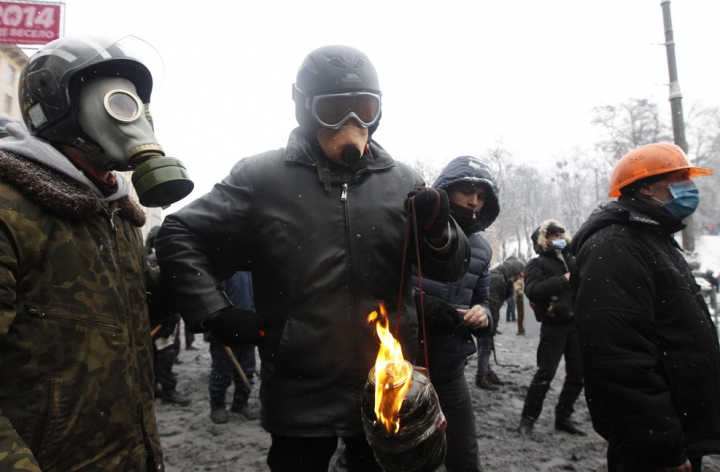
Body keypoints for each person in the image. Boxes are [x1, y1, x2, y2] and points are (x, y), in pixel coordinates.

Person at [155, 45, 470, 472]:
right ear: (305, 108)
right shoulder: (261, 178)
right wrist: (214, 311)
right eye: (334, 109)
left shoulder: (403, 181)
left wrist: (439, 231)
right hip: (300, 390)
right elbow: (180, 232)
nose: (351, 123)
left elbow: (450, 267)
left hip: (388, 384)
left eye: (364, 108)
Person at [0, 34, 193, 470]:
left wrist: (194, 260)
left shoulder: (117, 213)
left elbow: (131, 313)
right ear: (58, 109)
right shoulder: (9, 210)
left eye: (139, 107)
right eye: (118, 104)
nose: (137, 120)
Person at [571, 143, 720, 472]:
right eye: (679, 179)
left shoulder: (654, 239)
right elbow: (617, 357)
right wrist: (659, 445)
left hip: (677, 427)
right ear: (646, 187)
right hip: (653, 446)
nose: (689, 188)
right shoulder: (616, 246)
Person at [412, 155, 498, 471]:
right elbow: (381, 289)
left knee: (464, 456)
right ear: (447, 190)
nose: (474, 202)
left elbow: (485, 301)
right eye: (468, 192)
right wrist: (423, 304)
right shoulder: (412, 231)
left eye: (482, 196)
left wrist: (483, 316)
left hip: (449, 369)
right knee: (389, 453)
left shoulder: (482, 249)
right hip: (403, 367)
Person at [516, 220, 585, 437]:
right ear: (544, 240)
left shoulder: (573, 260)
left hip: (576, 325)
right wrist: (562, 280)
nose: (560, 239)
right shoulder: (537, 264)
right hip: (554, 325)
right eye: (554, 235)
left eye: (562, 234)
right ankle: (527, 420)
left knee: (578, 375)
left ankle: (564, 417)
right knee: (545, 373)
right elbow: (533, 291)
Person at [146, 226, 191, 407]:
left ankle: (154, 387)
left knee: (155, 356)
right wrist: (165, 320)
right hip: (159, 320)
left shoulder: (157, 260)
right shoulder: (159, 262)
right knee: (164, 355)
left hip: (158, 319)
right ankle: (168, 391)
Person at [208, 271, 258, 424]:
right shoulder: (223, 269)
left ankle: (240, 403)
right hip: (225, 332)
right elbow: (211, 301)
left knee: (247, 369)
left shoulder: (251, 271)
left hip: (248, 329)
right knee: (221, 372)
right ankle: (217, 406)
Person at [475, 255, 525, 390]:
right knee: (485, 348)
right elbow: (493, 306)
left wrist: (509, 287)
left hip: (484, 319)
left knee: (485, 347)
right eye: (517, 275)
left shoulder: (501, 277)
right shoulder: (496, 278)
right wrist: (493, 325)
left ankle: (488, 372)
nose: (517, 279)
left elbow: (500, 299)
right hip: (485, 320)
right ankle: (481, 376)